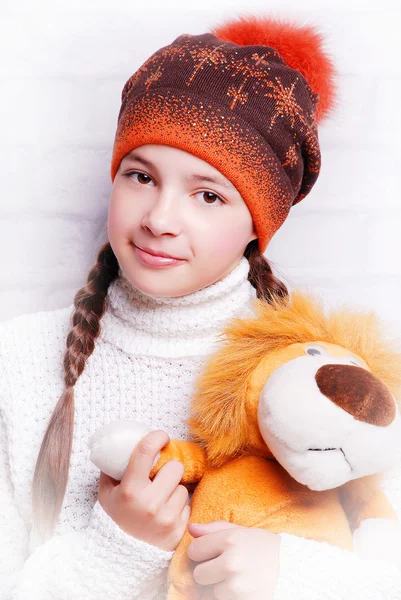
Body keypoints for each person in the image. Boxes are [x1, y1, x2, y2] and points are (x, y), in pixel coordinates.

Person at [1, 12, 401, 600]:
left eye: (208, 194)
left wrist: (294, 574)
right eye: (140, 176)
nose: (159, 219)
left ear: (258, 226)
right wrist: (118, 544)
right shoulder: (21, 359)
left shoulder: (315, 374)